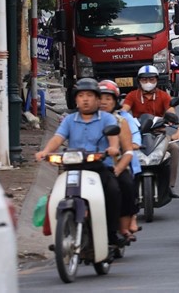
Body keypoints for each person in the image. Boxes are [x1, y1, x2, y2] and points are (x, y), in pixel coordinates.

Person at [35, 78, 126, 248]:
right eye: (81, 95)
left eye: (90, 95)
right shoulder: (69, 120)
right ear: (75, 99)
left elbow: (114, 141)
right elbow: (57, 138)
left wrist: (113, 149)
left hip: (99, 167)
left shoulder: (107, 119)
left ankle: (111, 233)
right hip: (73, 167)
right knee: (54, 196)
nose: (85, 99)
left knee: (113, 191)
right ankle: (60, 233)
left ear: (97, 100)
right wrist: (45, 151)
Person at [121, 65, 179, 198]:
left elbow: (170, 111)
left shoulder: (163, 95)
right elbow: (124, 110)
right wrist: (121, 117)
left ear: (157, 81)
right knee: (123, 151)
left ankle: (170, 186)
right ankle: (126, 184)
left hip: (159, 134)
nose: (148, 82)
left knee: (175, 149)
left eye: (152, 79)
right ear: (139, 81)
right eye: (145, 79)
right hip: (137, 134)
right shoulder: (132, 95)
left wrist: (170, 117)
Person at [98, 80, 140, 241]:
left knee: (124, 187)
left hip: (112, 166)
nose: (103, 102)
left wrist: (117, 169)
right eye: (100, 98)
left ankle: (122, 226)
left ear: (115, 101)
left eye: (108, 99)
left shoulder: (120, 121)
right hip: (85, 166)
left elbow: (127, 150)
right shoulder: (81, 118)